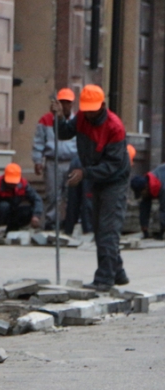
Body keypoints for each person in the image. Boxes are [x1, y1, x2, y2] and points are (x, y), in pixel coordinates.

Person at [57, 84, 130, 290]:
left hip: (115, 180)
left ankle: (104, 279)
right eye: (86, 109)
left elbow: (113, 165)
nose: (88, 114)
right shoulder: (81, 117)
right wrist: (60, 117)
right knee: (100, 228)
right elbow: (63, 134)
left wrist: (85, 173)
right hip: (97, 178)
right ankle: (118, 272)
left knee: (108, 228)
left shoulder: (114, 127)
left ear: (102, 105)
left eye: (93, 109)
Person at [32, 88, 78, 229]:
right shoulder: (45, 120)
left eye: (67, 102)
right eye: (62, 102)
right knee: (53, 195)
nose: (65, 105)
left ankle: (69, 222)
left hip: (72, 162)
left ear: (72, 104)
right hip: (53, 161)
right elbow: (38, 141)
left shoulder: (77, 120)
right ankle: (52, 222)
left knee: (71, 195)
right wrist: (37, 160)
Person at [0, 163, 43, 233]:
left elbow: (37, 199)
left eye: (14, 182)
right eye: (10, 182)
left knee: (28, 211)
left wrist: (36, 216)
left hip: (13, 211)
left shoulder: (23, 184)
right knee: (4, 206)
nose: (12, 185)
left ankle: (12, 229)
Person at [130, 163, 165, 240]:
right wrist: (144, 229)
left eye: (141, 193)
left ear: (146, 187)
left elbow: (164, 210)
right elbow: (144, 208)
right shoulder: (149, 183)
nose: (142, 196)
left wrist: (162, 232)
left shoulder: (161, 185)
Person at [62, 156, 94, 236]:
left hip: (80, 159)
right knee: (87, 199)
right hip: (90, 161)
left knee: (74, 201)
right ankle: (88, 231)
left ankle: (70, 230)